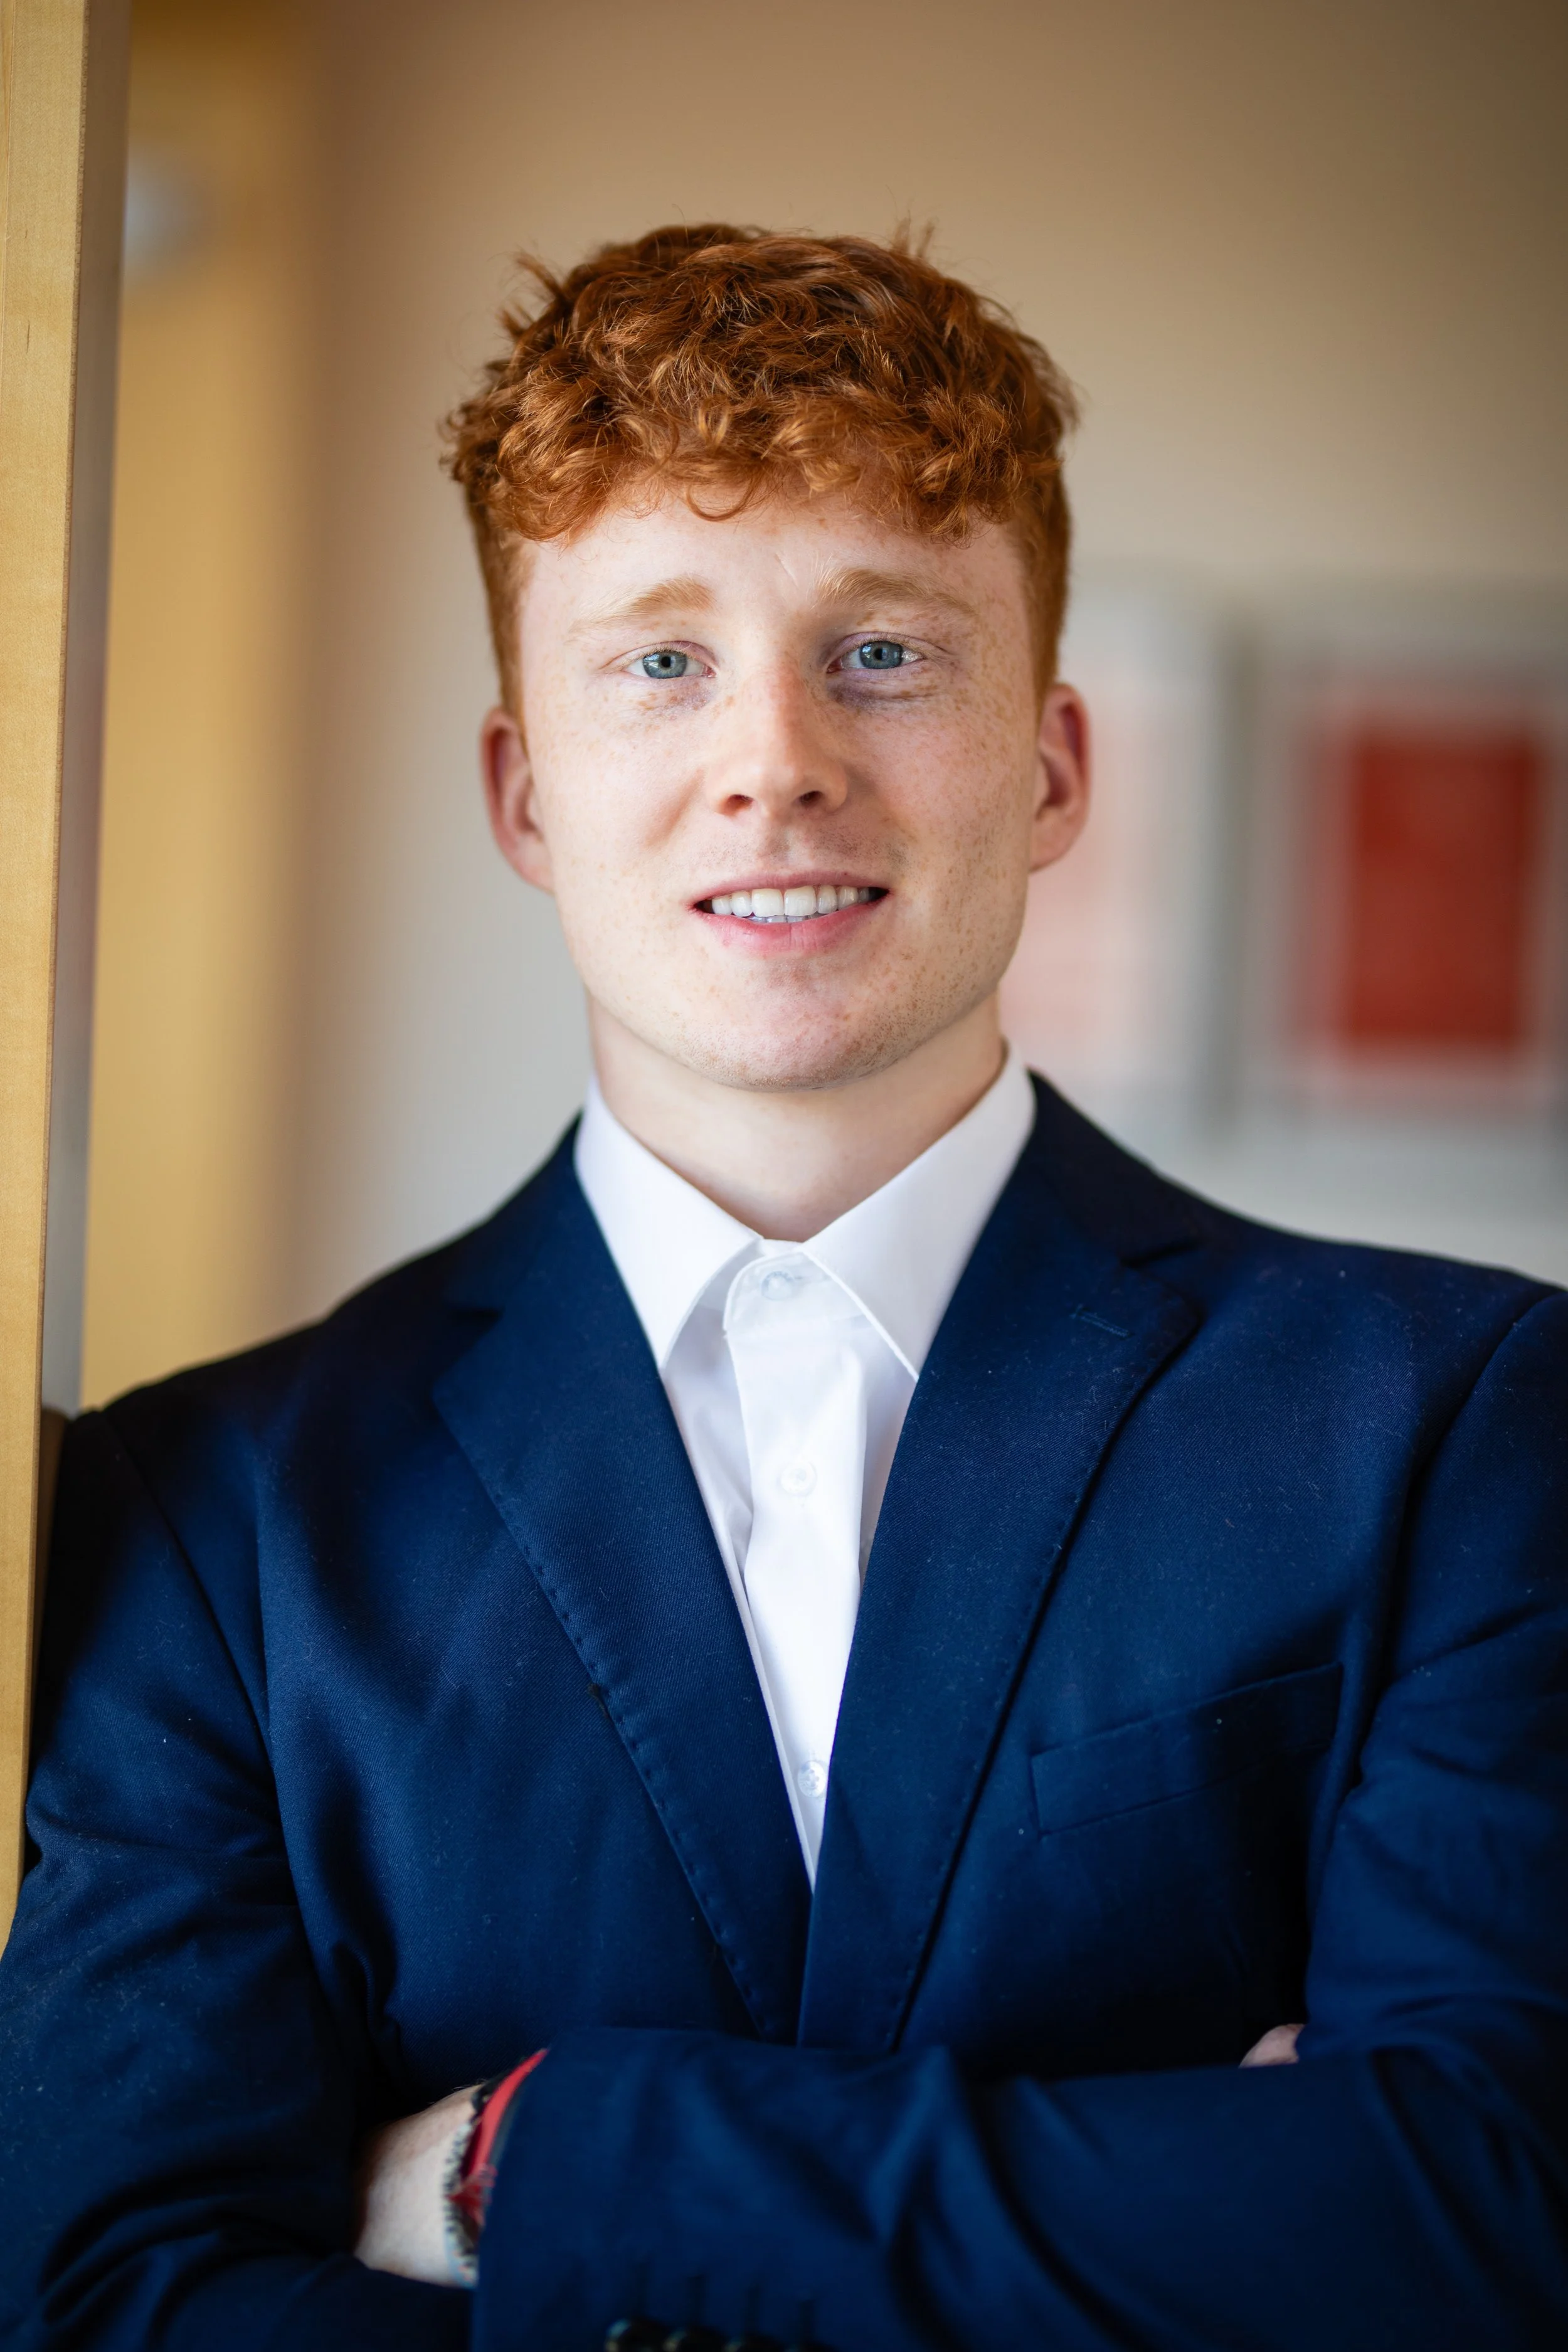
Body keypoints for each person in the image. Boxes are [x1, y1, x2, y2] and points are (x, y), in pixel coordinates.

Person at [1, 224, 1565, 2352]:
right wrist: (1185, 2208)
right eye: (658, 661)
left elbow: (1484, 2223)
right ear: (523, 795)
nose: (776, 763)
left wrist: (532, 2169)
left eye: (887, 654)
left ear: (1052, 764)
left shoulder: (1459, 1412)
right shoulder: (206, 1515)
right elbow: (113, 2308)